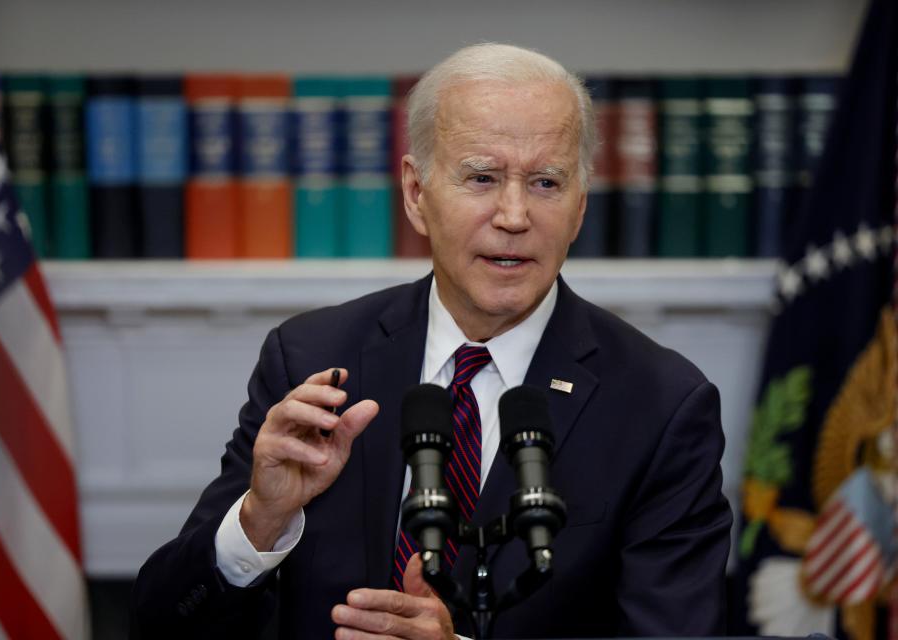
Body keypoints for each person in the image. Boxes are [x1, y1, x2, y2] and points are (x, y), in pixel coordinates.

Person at [131, 43, 732, 639]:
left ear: (579, 205)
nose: (515, 215)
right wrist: (261, 520)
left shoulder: (661, 405)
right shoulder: (313, 359)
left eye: (547, 182)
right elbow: (161, 627)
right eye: (482, 177)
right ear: (416, 194)